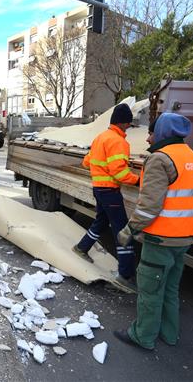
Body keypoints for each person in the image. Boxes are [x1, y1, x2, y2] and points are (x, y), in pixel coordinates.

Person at [114, 112, 193, 350]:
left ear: (163, 133)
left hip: (161, 239)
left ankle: (143, 336)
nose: (148, 139)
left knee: (150, 290)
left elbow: (150, 206)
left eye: (151, 132)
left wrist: (129, 230)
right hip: (185, 238)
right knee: (170, 288)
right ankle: (169, 334)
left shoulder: (160, 159)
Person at [72, 103, 139, 289]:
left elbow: (86, 162)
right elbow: (119, 173)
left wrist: (100, 168)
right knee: (122, 231)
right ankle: (125, 275)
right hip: (110, 191)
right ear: (124, 123)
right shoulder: (119, 142)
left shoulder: (100, 138)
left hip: (99, 189)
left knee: (101, 222)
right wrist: (138, 180)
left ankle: (82, 248)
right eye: (129, 124)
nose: (129, 127)